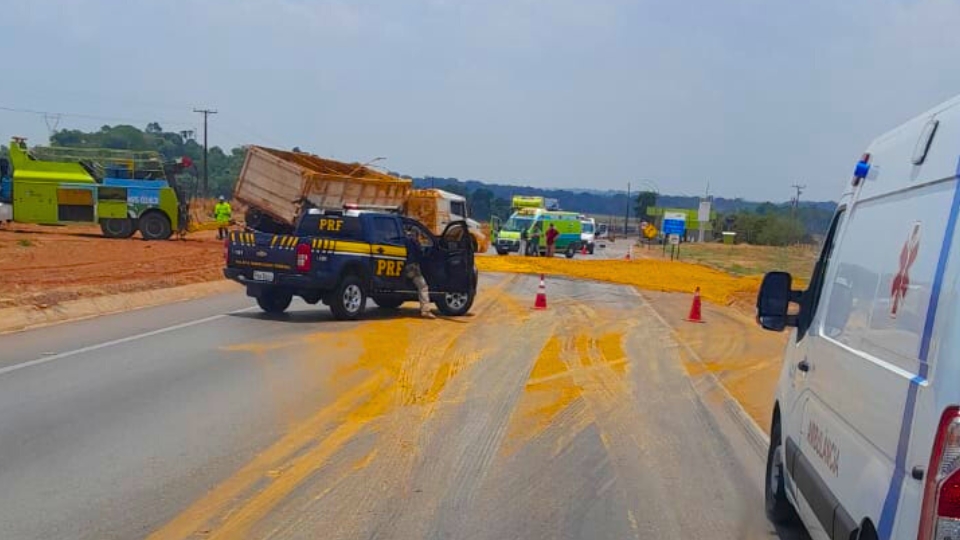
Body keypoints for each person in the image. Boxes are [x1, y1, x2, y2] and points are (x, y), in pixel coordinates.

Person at [404, 229, 436, 319]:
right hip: (413, 267)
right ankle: (425, 311)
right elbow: (420, 254)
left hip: (403, 267)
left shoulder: (405, 240)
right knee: (423, 286)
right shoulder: (414, 241)